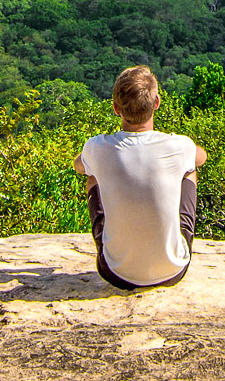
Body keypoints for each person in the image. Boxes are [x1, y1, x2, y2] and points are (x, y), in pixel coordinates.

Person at [74, 65, 207, 290]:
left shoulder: (98, 147)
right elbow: (201, 157)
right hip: (173, 271)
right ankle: (171, 245)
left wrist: (94, 157)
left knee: (92, 176)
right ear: (156, 103)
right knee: (189, 170)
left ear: (116, 108)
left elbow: (78, 165)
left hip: (115, 273)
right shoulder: (179, 145)